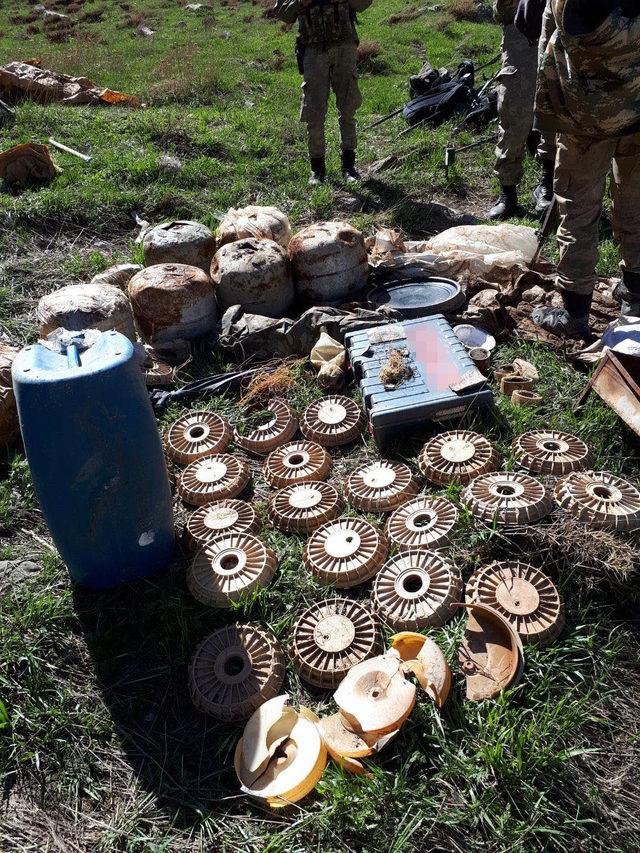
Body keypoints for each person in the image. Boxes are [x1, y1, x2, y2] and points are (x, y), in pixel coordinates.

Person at [517, 0, 640, 337]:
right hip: (636, 109)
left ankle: (574, 315)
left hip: (586, 119)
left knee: (578, 210)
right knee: (636, 202)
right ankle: (635, 297)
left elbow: (538, 34)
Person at [274, 0, 372, 185]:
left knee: (348, 106)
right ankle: (317, 170)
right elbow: (283, 13)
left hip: (344, 46)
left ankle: (349, 166)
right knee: (314, 111)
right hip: (313, 50)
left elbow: (364, 3)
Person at [489, 0, 556, 219]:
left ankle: (548, 184)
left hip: (562, 28)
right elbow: (501, 11)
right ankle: (507, 190)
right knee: (513, 112)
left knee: (557, 109)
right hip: (521, 35)